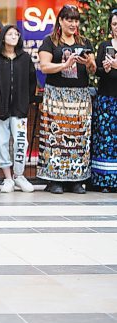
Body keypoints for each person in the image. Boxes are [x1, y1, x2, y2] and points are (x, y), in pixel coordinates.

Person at [37, 4, 96, 194]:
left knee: (79, 137)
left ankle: (76, 180)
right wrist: (65, 64)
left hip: (80, 96)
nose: (73, 23)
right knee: (55, 137)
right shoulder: (49, 41)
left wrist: (89, 63)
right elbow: (45, 67)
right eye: (69, 19)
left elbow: (93, 70)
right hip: (56, 95)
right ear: (60, 21)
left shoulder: (85, 42)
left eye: (76, 20)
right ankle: (55, 180)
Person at [0, 25, 37, 193]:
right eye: (10, 33)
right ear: (3, 37)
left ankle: (19, 176)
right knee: (2, 142)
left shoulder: (25, 58)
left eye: (16, 34)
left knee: (21, 142)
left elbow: (32, 81)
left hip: (20, 109)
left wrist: (26, 101)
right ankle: (8, 178)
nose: (14, 36)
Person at [91, 9, 117, 193]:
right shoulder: (104, 45)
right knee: (105, 141)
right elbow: (97, 71)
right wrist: (105, 69)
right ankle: (104, 181)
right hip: (107, 98)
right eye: (115, 24)